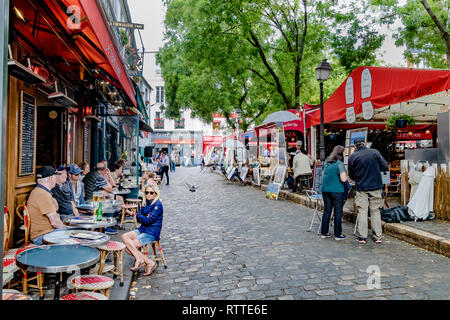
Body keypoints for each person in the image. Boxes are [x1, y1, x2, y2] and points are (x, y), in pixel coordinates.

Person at [348, 137, 389, 244]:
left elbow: (351, 175)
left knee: (362, 210)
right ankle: (378, 236)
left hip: (361, 186)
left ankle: (362, 236)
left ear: (354, 146)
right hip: (375, 186)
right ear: (365, 143)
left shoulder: (353, 157)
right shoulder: (375, 153)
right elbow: (385, 167)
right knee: (375, 211)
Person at [121, 184, 163, 276]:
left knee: (129, 246)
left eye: (151, 193)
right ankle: (146, 261)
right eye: (147, 192)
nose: (148, 194)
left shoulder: (157, 204)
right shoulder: (145, 202)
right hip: (143, 229)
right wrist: (141, 216)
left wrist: (140, 216)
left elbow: (148, 220)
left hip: (151, 232)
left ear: (155, 194)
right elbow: (140, 216)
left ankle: (142, 261)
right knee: (124, 237)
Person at [27, 166, 66, 245]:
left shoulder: (41, 191)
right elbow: (55, 222)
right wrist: (67, 230)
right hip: (42, 236)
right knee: (75, 237)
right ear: (51, 178)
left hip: (47, 232)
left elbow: (56, 208)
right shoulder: (42, 194)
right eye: (55, 176)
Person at [321, 146, 348, 240]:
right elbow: (343, 179)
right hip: (337, 191)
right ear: (340, 153)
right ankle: (338, 234)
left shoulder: (326, 163)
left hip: (325, 190)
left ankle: (324, 232)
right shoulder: (340, 164)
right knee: (337, 213)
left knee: (327, 211)